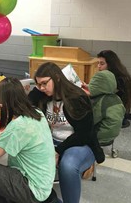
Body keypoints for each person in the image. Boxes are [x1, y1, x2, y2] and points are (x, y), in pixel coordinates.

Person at [28, 62, 105, 203]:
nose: (42, 88)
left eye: (44, 83)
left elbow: (84, 134)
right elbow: (26, 103)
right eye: (39, 84)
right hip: (52, 141)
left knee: (68, 166)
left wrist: (58, 150)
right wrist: (35, 90)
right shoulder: (43, 94)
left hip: (80, 144)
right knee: (26, 155)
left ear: (57, 78)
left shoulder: (77, 97)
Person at [96, 50, 131, 128]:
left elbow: (100, 95)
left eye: (102, 63)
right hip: (121, 112)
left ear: (111, 65)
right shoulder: (120, 73)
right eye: (98, 63)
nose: (98, 66)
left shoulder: (116, 79)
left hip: (117, 115)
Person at [88, 70, 126, 144]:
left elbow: (91, 119)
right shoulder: (116, 98)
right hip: (113, 132)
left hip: (101, 134)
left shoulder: (101, 101)